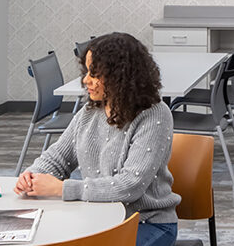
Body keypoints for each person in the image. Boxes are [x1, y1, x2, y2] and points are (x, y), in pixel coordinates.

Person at [15, 32, 181, 246]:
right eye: (87, 71)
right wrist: (32, 176)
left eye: (95, 74)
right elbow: (57, 158)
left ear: (120, 76)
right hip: (97, 218)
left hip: (146, 223)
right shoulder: (89, 112)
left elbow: (130, 185)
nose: (86, 80)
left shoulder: (155, 114)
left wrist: (62, 189)